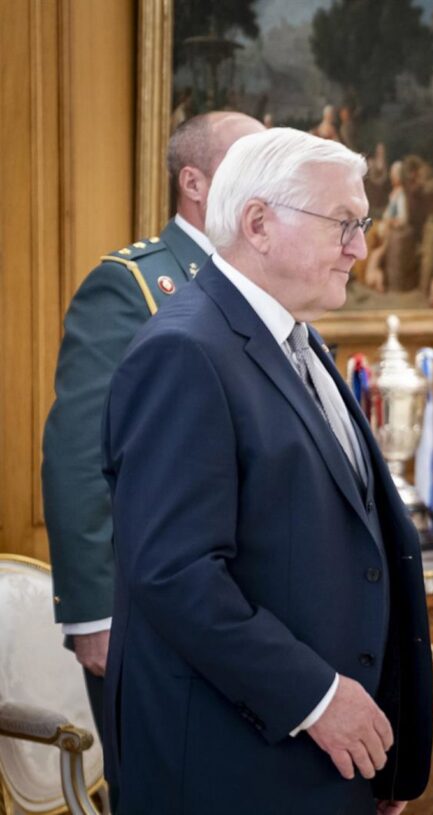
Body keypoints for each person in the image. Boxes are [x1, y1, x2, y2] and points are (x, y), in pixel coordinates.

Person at [101, 127, 433, 814]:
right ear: (258, 223)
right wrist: (317, 699)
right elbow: (175, 572)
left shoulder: (300, 337)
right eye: (344, 223)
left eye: (363, 225)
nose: (361, 248)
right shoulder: (185, 353)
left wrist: (382, 760)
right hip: (235, 765)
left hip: (320, 763)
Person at [41, 110, 263, 742]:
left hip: (235, 611)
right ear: (194, 183)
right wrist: (92, 614)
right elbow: (79, 454)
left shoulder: (259, 284)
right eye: (249, 165)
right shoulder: (132, 284)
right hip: (148, 615)